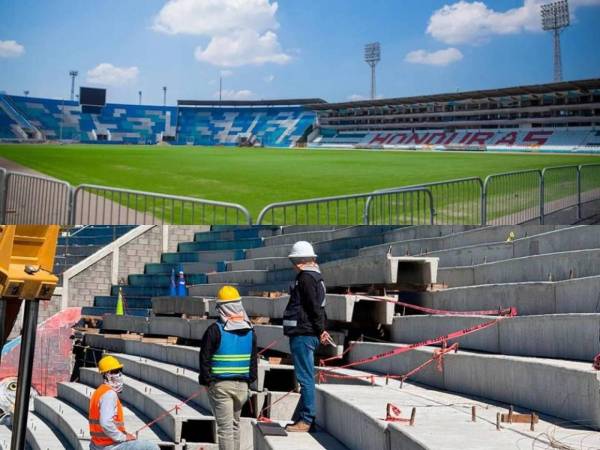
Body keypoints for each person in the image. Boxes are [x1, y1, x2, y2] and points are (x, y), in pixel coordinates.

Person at [199, 286, 258, 450]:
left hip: (221, 386)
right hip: (242, 386)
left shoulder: (215, 330)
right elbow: (254, 360)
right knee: (234, 426)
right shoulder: (250, 331)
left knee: (225, 430)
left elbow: (204, 357)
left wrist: (206, 381)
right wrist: (250, 381)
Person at [283, 241, 333, 432]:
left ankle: (306, 419)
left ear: (298, 260)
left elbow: (313, 307)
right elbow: (318, 307)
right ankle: (305, 418)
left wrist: (320, 330)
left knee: (305, 378)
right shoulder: (316, 277)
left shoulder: (305, 278)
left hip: (303, 334)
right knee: (305, 377)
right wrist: (322, 329)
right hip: (307, 332)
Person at [89, 355, 159, 450]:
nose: (119, 374)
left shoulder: (99, 392)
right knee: (151, 447)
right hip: (109, 446)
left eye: (119, 370)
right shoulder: (109, 394)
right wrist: (123, 437)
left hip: (98, 444)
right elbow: (105, 423)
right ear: (107, 375)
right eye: (116, 371)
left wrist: (125, 434)